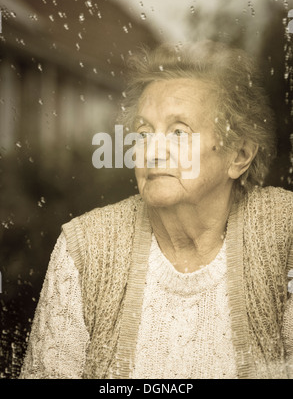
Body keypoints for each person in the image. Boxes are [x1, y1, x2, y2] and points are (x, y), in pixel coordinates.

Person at [20, 41, 293, 379]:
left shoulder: (284, 233)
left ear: (238, 155)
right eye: (144, 132)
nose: (152, 150)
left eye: (179, 132)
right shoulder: (84, 249)